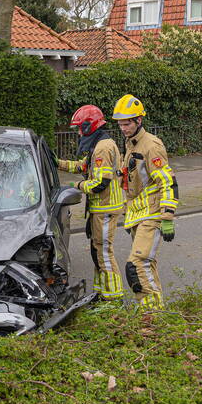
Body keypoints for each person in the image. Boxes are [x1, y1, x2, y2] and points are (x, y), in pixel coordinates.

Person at [112, 95, 178, 310]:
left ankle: (151, 314)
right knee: (147, 265)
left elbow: (167, 181)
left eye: (127, 123)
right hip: (138, 215)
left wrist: (167, 216)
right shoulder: (131, 143)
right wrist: (128, 216)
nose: (123, 128)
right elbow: (132, 184)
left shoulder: (151, 145)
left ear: (139, 120)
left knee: (137, 265)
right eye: (120, 124)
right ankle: (156, 311)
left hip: (153, 213)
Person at [56, 105, 125, 302]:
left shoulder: (103, 148)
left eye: (80, 128)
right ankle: (102, 293)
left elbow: (100, 183)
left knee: (103, 252)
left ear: (89, 126)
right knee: (97, 251)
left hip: (106, 208)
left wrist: (75, 185)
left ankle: (114, 298)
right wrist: (57, 163)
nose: (79, 132)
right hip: (101, 207)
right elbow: (82, 166)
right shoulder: (98, 143)